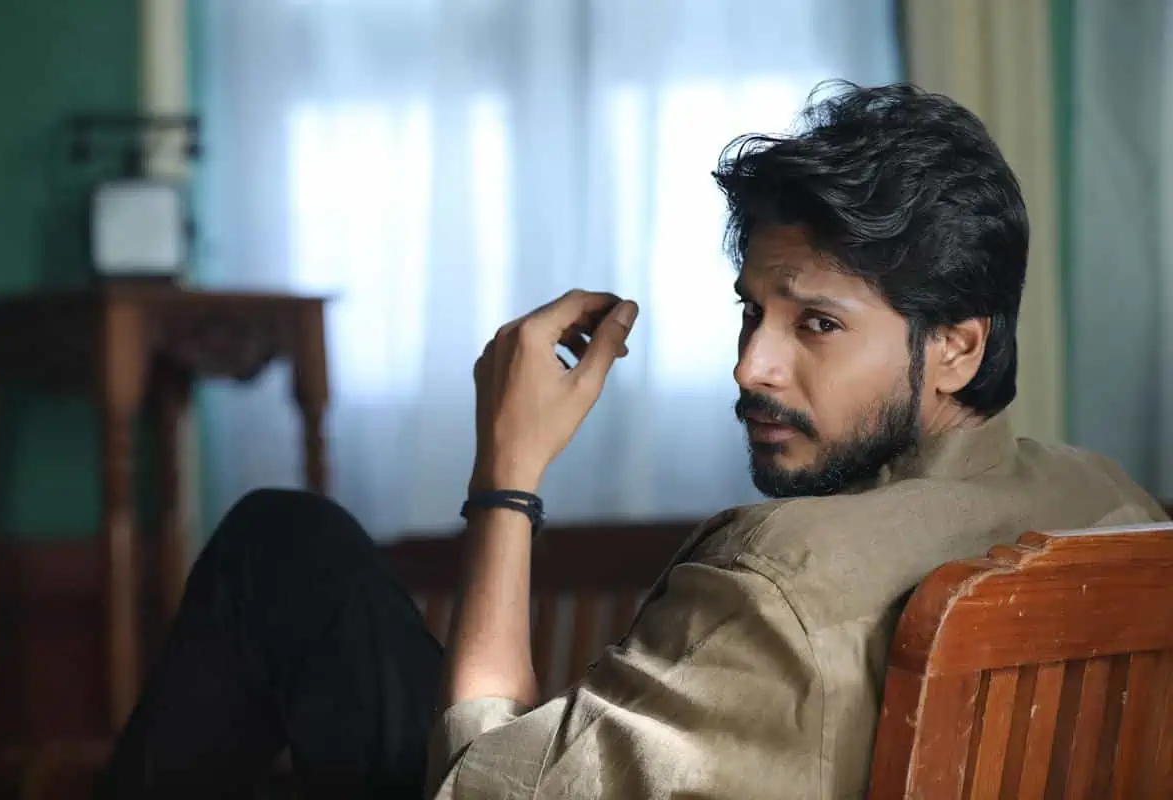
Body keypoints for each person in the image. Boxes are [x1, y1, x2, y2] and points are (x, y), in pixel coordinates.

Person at [98, 82, 1169, 800]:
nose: (752, 365)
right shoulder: (1114, 509)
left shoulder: (783, 583)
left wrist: (507, 477)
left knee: (281, 547)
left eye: (817, 324)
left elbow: (472, 788)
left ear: (957, 349)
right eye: (752, 311)